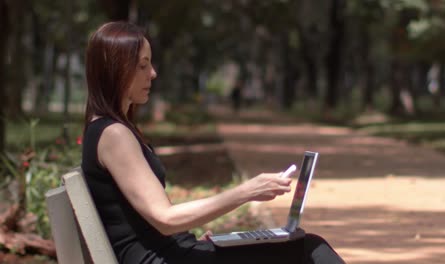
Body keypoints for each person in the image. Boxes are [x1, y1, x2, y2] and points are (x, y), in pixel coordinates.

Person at [81, 21, 346, 264]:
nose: (153, 73)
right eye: (142, 65)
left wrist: (191, 240)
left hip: (170, 251)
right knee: (310, 250)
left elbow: (151, 221)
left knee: (297, 245)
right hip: (163, 259)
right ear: (115, 69)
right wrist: (247, 191)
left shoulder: (110, 129)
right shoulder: (114, 135)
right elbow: (165, 218)